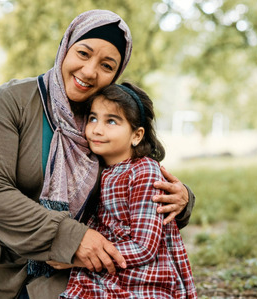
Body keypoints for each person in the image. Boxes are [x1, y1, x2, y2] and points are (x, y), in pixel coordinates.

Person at [0, 9, 195, 299]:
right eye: (84, 53)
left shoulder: (103, 122)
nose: (89, 71)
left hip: (70, 267)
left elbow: (137, 183)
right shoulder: (10, 102)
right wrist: (74, 238)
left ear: (116, 74)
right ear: (66, 48)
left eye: (106, 65)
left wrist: (183, 199)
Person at [56, 83, 197, 298]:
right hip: (109, 275)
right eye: (93, 118)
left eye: (111, 121)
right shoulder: (96, 169)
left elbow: (144, 247)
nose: (97, 129)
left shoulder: (143, 171)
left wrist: (76, 258)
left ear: (137, 135)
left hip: (143, 279)